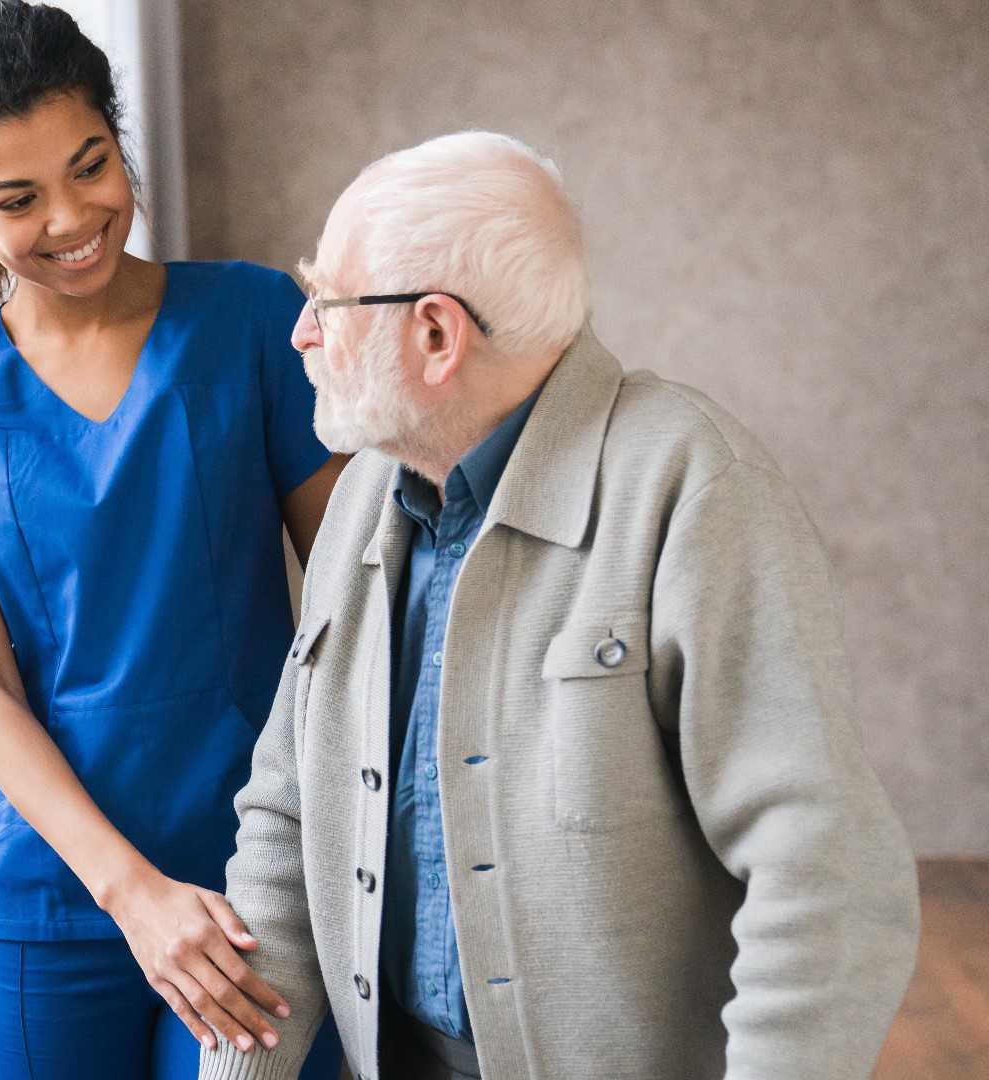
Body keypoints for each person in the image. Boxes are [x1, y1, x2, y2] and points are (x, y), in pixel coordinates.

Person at [199, 131, 921, 1080]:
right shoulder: (367, 499)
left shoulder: (693, 486)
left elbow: (826, 879)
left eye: (326, 302)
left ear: (434, 334)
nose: (303, 334)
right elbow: (290, 819)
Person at [0, 3, 347, 1077]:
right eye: (19, 198)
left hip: (252, 887)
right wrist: (132, 895)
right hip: (48, 906)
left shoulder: (256, 323)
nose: (75, 216)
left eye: (92, 166)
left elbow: (353, 613)